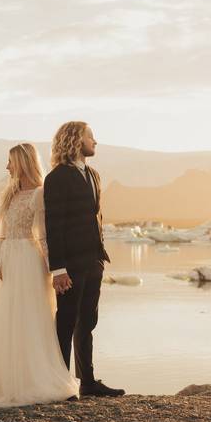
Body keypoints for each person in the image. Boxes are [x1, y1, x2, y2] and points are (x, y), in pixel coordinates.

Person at [0, 143, 79, 408]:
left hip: (29, 259)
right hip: (10, 256)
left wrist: (54, 268)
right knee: (9, 315)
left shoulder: (40, 193)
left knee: (33, 316)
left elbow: (43, 234)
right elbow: (2, 231)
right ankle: (7, 379)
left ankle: (34, 379)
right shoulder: (9, 194)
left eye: (10, 161)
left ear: (22, 162)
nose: (7, 166)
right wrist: (0, 260)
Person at [45, 121, 124, 397]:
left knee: (88, 322)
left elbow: (96, 217)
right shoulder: (56, 178)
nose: (96, 141)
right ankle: (58, 383)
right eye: (91, 136)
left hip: (94, 260)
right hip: (70, 264)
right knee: (66, 321)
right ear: (75, 140)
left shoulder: (94, 174)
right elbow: (54, 226)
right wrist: (58, 269)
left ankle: (87, 382)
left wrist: (100, 256)